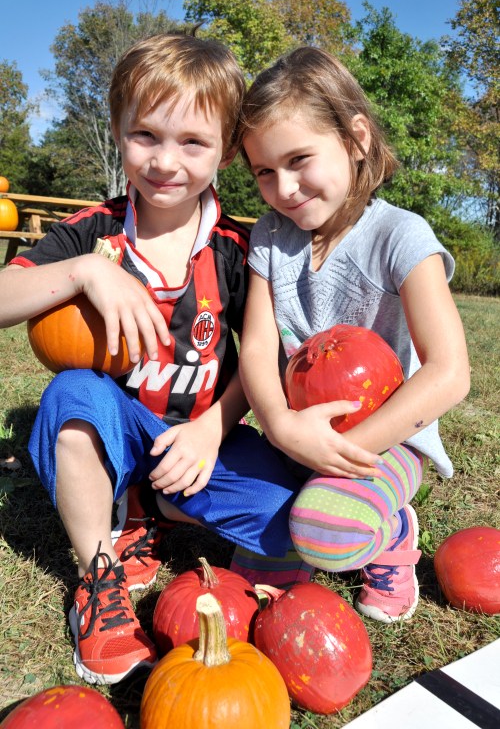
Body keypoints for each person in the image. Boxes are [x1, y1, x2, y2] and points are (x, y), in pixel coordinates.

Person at [0, 35, 356, 685]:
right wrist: (84, 272)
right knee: (72, 397)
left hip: (202, 441)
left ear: (228, 148)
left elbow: (263, 361)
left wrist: (212, 428)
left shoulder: (242, 250)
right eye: (145, 136)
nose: (166, 162)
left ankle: (156, 507)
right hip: (118, 430)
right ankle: (101, 569)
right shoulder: (94, 232)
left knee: (296, 523)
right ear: (118, 132)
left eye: (193, 142)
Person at [236, 46, 470, 624]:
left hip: (386, 441)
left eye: (299, 159)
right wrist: (285, 429)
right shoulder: (270, 236)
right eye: (264, 171)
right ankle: (309, 507)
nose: (284, 187)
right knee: (249, 564)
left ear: (356, 138)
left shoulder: (400, 236)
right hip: (297, 434)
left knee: (324, 532)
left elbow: (449, 373)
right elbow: (260, 349)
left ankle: (391, 533)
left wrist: (345, 450)